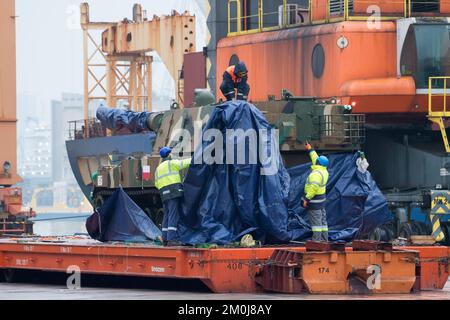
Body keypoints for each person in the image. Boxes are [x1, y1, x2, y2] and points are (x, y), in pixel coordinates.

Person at [155, 147, 191, 245]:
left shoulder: (158, 168)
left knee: (167, 214)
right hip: (173, 192)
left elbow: (156, 184)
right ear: (169, 154)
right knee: (173, 215)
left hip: (164, 194)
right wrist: (197, 157)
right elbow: (185, 163)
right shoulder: (172, 163)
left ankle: (165, 238)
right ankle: (171, 238)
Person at [301, 142, 330, 242]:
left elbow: (313, 188)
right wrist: (310, 149)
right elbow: (315, 158)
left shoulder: (316, 174)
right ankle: (324, 241)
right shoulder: (323, 170)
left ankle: (317, 243)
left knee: (316, 224)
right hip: (321, 202)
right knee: (322, 222)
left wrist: (306, 199)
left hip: (314, 202)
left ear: (318, 163)